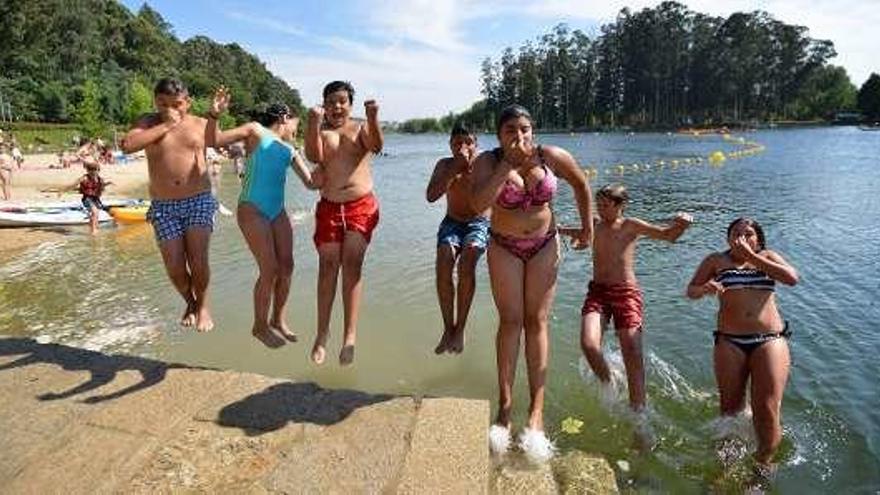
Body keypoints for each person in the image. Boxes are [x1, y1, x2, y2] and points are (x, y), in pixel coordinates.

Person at [470, 104, 593, 461]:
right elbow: (478, 205)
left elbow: (582, 184)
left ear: (532, 131)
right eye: (510, 130)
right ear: (499, 134)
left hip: (544, 245)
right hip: (504, 246)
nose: (519, 136)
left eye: (524, 129)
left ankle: (536, 411)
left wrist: (587, 229)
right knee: (510, 322)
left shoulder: (551, 156)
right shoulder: (487, 162)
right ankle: (506, 407)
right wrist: (506, 166)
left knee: (536, 322)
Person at [208, 88, 321, 348]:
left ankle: (277, 319)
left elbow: (311, 183)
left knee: (287, 266)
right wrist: (214, 113)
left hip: (277, 211)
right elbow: (214, 140)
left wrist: (333, 166)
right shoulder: (255, 131)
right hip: (252, 208)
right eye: (296, 123)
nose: (296, 129)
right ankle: (259, 326)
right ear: (285, 118)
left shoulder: (290, 150)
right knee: (269, 270)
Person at [565, 184, 692, 412]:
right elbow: (577, 233)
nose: (600, 210)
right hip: (598, 292)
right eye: (599, 205)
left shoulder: (630, 225)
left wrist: (681, 224)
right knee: (588, 344)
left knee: (632, 354)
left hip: (626, 293)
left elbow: (667, 235)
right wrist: (552, 229)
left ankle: (639, 412)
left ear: (620, 205)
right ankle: (610, 383)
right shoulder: (594, 224)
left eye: (605, 205)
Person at [686, 217, 798, 469]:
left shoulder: (768, 256)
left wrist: (753, 257)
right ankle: (727, 465)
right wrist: (704, 288)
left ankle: (762, 467)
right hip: (729, 341)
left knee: (767, 408)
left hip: (769, 340)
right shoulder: (716, 260)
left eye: (748, 233)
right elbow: (690, 290)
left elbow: (792, 278)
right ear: (728, 238)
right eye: (736, 233)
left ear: (758, 239)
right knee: (730, 409)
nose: (742, 237)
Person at [121, 78, 218, 333]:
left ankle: (204, 306)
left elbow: (221, 140)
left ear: (188, 102)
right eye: (162, 104)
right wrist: (166, 124)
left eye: (176, 104)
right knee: (174, 266)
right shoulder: (148, 122)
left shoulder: (200, 123)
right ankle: (190, 302)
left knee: (198, 259)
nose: (170, 109)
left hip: (198, 199)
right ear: (155, 102)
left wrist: (215, 115)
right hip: (163, 205)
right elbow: (128, 145)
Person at [304, 80, 383, 366]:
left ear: (350, 104)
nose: (337, 106)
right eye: (331, 101)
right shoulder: (322, 131)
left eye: (342, 101)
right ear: (323, 105)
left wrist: (373, 118)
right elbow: (313, 156)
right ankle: (322, 333)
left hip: (360, 206)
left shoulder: (360, 128)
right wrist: (311, 124)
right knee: (327, 267)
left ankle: (349, 336)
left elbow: (376, 145)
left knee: (352, 264)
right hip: (329, 207)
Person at [426, 124, 489, 354]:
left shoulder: (484, 164)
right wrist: (454, 170)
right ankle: (447, 328)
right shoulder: (444, 165)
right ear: (450, 146)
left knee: (469, 256)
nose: (462, 147)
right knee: (444, 258)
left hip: (478, 222)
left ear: (476, 144)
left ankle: (460, 329)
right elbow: (431, 196)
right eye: (456, 143)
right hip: (452, 221)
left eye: (468, 142)